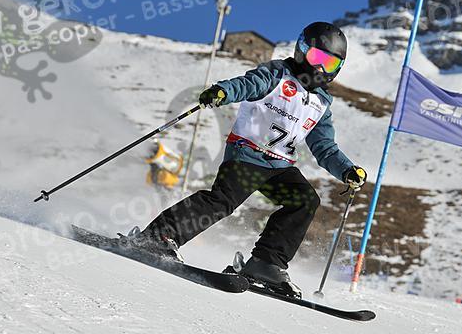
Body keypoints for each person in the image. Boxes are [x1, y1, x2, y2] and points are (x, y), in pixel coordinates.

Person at [131, 22, 367, 295]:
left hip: (280, 166)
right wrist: (223, 91)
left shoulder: (321, 104)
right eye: (317, 58)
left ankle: (266, 263)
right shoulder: (277, 75)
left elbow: (324, 146)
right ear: (302, 51)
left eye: (331, 63)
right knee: (223, 200)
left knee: (304, 201)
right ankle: (159, 236)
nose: (321, 69)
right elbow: (247, 84)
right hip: (247, 155)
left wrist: (346, 170)